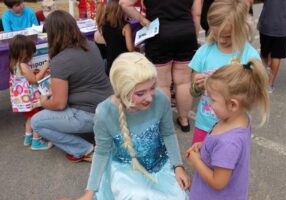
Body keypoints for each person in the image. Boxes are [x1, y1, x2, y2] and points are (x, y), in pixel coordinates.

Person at [78, 52, 190, 200]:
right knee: (134, 196)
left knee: (179, 196)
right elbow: (102, 151)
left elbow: (168, 133)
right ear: (122, 91)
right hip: (126, 169)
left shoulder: (160, 99)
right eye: (141, 93)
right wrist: (90, 191)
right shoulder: (105, 112)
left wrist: (178, 166)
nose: (150, 97)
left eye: (152, 87)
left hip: (160, 164)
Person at [31, 10, 113, 162]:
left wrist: (43, 101)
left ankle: (84, 150)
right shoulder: (90, 45)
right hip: (110, 105)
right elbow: (83, 76)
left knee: (37, 122)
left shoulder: (60, 60)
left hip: (90, 113)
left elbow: (59, 104)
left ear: (52, 34)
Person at [187, 59, 270, 200]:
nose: (209, 103)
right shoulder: (240, 118)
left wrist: (196, 161)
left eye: (213, 100)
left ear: (233, 104)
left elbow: (218, 182)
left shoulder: (228, 142)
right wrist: (204, 146)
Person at [120, 0, 201, 133]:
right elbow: (196, 14)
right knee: (184, 81)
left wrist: (142, 19)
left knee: (162, 84)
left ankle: (164, 123)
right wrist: (194, 36)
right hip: (186, 32)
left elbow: (124, 4)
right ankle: (184, 119)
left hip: (158, 34)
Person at [189, 0, 260, 144]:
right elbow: (192, 91)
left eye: (227, 36)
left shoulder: (249, 56)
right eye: (216, 34)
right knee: (201, 162)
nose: (221, 40)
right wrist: (197, 86)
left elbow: (256, 94)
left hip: (235, 127)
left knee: (227, 165)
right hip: (205, 125)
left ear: (241, 28)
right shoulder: (204, 52)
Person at [8, 35, 52, 150]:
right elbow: (34, 80)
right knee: (37, 118)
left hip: (24, 99)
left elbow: (26, 77)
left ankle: (28, 138)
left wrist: (35, 71)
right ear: (24, 52)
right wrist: (44, 67)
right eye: (30, 53)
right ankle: (36, 142)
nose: (31, 56)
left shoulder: (15, 64)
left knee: (30, 117)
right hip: (31, 98)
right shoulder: (23, 65)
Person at [257, 0, 286, 93]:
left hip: (266, 24)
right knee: (276, 55)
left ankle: (262, 81)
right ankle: (269, 85)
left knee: (264, 53)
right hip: (282, 26)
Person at [96, 0, 134, 76]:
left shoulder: (103, 25)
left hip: (111, 61)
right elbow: (130, 48)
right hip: (124, 61)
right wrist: (137, 49)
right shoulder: (125, 26)